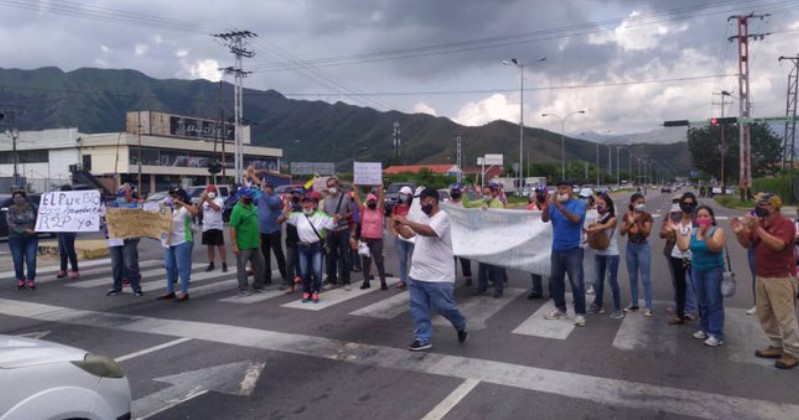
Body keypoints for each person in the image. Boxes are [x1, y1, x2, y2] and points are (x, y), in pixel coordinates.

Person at [393, 187, 467, 351]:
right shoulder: (422, 218)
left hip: (438, 276)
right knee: (417, 308)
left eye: (422, 202)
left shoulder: (442, 217)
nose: (421, 205)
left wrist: (408, 221)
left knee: (444, 307)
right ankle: (423, 338)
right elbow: (408, 235)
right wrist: (398, 227)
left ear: (432, 200)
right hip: (417, 274)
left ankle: (460, 323)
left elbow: (430, 232)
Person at [730, 193, 799, 369]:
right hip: (762, 276)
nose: (760, 206)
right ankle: (777, 345)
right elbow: (748, 244)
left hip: (780, 277)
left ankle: (793, 352)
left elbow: (779, 245)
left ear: (775, 206)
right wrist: (739, 233)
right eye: (758, 203)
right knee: (765, 314)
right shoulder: (761, 223)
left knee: (785, 317)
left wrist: (757, 229)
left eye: (764, 204)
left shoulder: (785, 224)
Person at [672, 205, 726, 347]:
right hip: (697, 269)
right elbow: (683, 246)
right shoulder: (693, 231)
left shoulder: (717, 231)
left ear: (712, 218)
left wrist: (705, 235)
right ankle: (705, 328)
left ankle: (716, 333)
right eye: (700, 216)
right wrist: (677, 231)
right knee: (702, 301)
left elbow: (715, 247)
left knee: (714, 302)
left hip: (713, 270)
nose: (702, 218)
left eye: (705, 215)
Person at [541, 180, 588, 327]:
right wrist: (548, 206)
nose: (561, 191)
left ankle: (580, 313)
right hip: (557, 248)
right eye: (559, 188)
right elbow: (544, 219)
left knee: (576, 282)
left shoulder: (579, 204)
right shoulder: (554, 205)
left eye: (564, 188)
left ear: (571, 190)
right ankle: (560, 308)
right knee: (555, 280)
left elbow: (576, 219)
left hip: (574, 248)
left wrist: (560, 207)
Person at [283, 194, 340, 303]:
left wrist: (335, 219)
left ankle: (315, 291)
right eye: (304, 202)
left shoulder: (320, 215)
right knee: (304, 272)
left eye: (309, 202)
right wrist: (287, 201)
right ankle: (306, 291)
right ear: (301, 204)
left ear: (314, 204)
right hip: (302, 247)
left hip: (316, 247)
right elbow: (286, 216)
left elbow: (331, 223)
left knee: (317, 271)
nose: (307, 204)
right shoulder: (298, 216)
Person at [660, 192, 699, 325]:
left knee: (691, 283)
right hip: (676, 256)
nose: (687, 206)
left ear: (694, 205)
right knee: (679, 284)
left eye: (690, 204)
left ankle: (692, 310)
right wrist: (668, 232)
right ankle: (680, 313)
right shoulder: (674, 217)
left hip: (692, 256)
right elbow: (662, 233)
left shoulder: (697, 219)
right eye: (685, 203)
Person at [247, 170, 288, 286]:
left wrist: (261, 189)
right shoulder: (261, 198)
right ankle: (267, 277)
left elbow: (272, 204)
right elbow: (252, 201)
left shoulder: (276, 198)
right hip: (263, 231)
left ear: (271, 189)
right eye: (265, 188)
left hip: (274, 230)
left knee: (278, 253)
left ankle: (285, 276)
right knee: (265, 255)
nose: (266, 190)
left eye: (268, 188)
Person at [465, 183, 506, 297]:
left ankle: (498, 288)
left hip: (496, 238)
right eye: (484, 193)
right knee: (482, 265)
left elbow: (500, 218)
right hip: (484, 238)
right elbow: (467, 205)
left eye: (488, 193)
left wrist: (489, 211)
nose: (486, 195)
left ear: (493, 193)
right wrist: (465, 194)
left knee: (497, 265)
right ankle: (481, 287)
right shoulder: (482, 202)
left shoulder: (498, 203)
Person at [586, 192, 623, 319]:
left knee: (612, 281)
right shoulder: (599, 217)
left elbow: (604, 227)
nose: (598, 206)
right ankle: (598, 304)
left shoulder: (612, 218)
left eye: (602, 204)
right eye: (598, 204)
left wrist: (589, 230)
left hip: (611, 253)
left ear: (608, 206)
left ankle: (618, 308)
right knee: (598, 281)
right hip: (599, 252)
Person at [157, 187, 198, 303]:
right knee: (169, 267)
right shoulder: (171, 209)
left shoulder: (185, 209)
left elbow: (195, 212)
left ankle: (184, 292)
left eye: (175, 196)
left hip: (183, 240)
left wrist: (181, 203)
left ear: (181, 197)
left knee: (182, 267)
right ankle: (170, 290)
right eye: (172, 196)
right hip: (170, 241)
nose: (173, 198)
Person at [105, 185, 144, 297]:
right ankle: (117, 287)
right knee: (116, 264)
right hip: (115, 238)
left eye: (124, 194)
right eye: (120, 195)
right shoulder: (113, 205)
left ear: (130, 193)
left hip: (130, 238)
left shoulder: (137, 205)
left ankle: (136, 287)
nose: (122, 197)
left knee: (130, 263)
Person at [620, 192, 654, 317]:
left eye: (642, 202)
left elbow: (647, 233)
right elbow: (622, 232)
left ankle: (648, 306)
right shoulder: (626, 215)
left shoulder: (647, 216)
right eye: (639, 202)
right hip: (631, 246)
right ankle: (634, 303)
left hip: (643, 246)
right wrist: (630, 222)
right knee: (633, 277)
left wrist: (637, 222)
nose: (641, 205)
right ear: (632, 203)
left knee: (645, 278)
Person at [229, 187, 266, 296]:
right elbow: (232, 227)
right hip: (243, 244)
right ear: (241, 197)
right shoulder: (237, 209)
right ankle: (243, 289)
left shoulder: (253, 206)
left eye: (251, 196)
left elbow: (256, 223)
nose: (250, 197)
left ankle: (258, 285)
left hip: (255, 242)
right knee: (242, 267)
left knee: (260, 265)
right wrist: (234, 244)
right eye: (247, 196)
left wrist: (259, 238)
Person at [352, 185, 388, 290]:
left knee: (378, 261)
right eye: (370, 200)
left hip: (377, 239)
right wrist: (355, 188)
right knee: (366, 261)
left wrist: (381, 189)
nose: (372, 202)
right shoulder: (363, 210)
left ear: (376, 202)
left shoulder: (379, 210)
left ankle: (383, 282)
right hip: (364, 239)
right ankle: (366, 281)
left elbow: (381, 200)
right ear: (367, 202)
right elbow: (357, 199)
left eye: (373, 200)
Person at [323, 177, 354, 289]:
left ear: (337, 185)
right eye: (329, 186)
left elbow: (351, 211)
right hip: (331, 230)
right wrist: (329, 219)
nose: (331, 188)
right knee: (331, 256)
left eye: (333, 185)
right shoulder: (326, 199)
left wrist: (342, 216)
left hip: (343, 229)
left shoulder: (345, 197)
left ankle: (346, 280)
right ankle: (332, 280)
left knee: (345, 256)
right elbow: (324, 213)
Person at [7, 190, 39, 290]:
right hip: (15, 238)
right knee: (17, 260)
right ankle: (21, 279)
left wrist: (37, 229)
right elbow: (11, 224)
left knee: (31, 259)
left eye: (19, 197)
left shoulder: (33, 207)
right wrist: (25, 230)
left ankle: (30, 280)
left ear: (24, 197)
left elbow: (41, 217)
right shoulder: (11, 209)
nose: (17, 199)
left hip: (31, 238)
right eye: (15, 197)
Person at [390, 185, 415, 289]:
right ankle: (402, 280)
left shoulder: (414, 207)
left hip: (412, 237)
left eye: (404, 195)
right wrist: (394, 231)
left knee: (413, 259)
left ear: (409, 196)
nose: (402, 197)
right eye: (401, 195)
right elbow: (392, 220)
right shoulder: (396, 207)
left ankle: (414, 279)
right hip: (400, 237)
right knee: (402, 259)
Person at [448, 184, 473, 286]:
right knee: (451, 258)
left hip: (462, 235)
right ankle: (452, 277)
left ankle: (468, 276)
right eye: (453, 191)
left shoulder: (464, 204)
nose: (454, 192)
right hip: (451, 235)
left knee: (464, 258)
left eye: (456, 191)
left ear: (460, 192)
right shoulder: (447, 204)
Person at [199, 184, 228, 273]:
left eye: (212, 191)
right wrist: (202, 200)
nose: (211, 193)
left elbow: (216, 208)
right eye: (209, 191)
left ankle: (224, 263)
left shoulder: (219, 200)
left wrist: (208, 200)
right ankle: (211, 263)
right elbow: (198, 210)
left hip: (217, 226)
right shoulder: (204, 201)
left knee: (220, 246)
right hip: (207, 226)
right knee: (209, 246)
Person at [527, 186, 548, 300]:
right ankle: (536, 289)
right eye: (537, 193)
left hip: (548, 240)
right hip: (535, 239)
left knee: (549, 265)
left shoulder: (551, 206)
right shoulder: (531, 207)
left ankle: (553, 290)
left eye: (541, 193)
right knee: (535, 265)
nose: (539, 195)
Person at [55, 184, 79, 279]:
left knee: (69, 249)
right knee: (62, 250)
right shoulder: (59, 201)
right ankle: (63, 269)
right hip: (61, 228)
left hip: (69, 228)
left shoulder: (73, 202)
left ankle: (74, 269)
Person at [284, 188, 304, 294]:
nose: (295, 197)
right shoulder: (290, 207)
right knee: (289, 263)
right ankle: (290, 284)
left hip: (303, 240)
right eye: (293, 195)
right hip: (291, 240)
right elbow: (284, 216)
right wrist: (287, 201)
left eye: (297, 195)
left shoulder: (305, 207)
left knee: (302, 263)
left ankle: (303, 281)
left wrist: (302, 202)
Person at [579, 188, 597, 296]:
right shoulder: (578, 209)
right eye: (581, 197)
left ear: (591, 198)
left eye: (585, 198)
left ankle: (593, 285)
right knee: (580, 266)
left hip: (591, 241)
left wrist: (590, 237)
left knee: (592, 264)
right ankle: (580, 288)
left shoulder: (595, 211)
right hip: (579, 240)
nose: (583, 200)